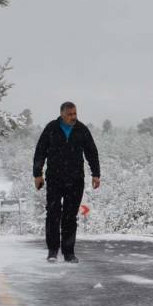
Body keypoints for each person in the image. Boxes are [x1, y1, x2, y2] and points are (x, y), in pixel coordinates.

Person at [33, 101, 101, 262]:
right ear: (62, 114)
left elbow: (92, 152)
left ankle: (69, 253)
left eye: (75, 113)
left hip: (76, 179)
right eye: (70, 114)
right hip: (55, 178)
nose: (73, 117)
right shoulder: (51, 129)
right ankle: (52, 251)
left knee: (70, 216)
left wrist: (96, 174)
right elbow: (40, 151)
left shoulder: (82, 130)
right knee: (53, 214)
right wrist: (38, 174)